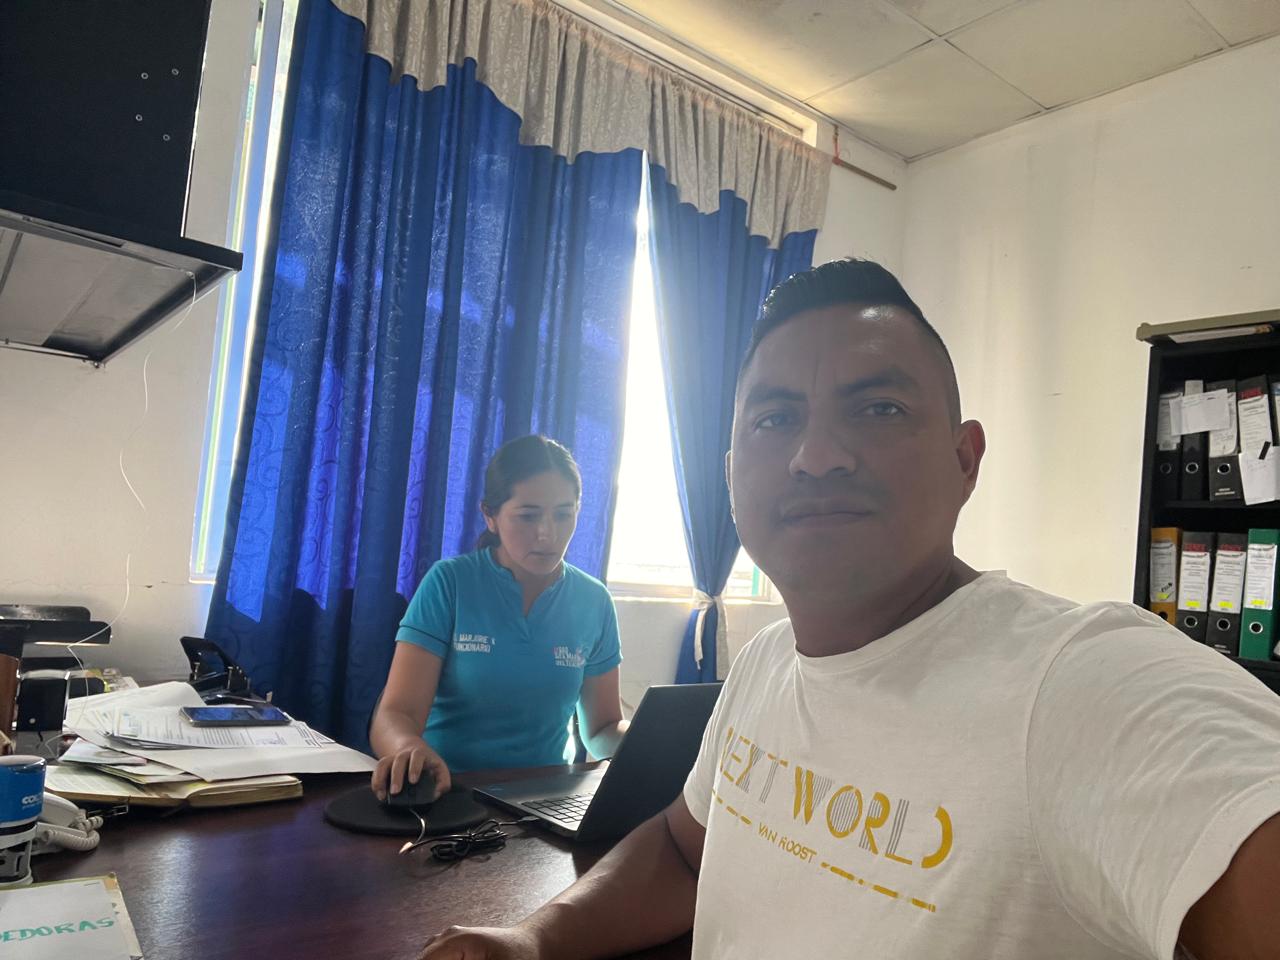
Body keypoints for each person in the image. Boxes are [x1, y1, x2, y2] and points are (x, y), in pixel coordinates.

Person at [418, 259, 1280, 959]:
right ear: (729, 474)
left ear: (965, 459)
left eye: (878, 408)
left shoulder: (1080, 684)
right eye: (774, 418)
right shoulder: (766, 661)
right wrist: (535, 939)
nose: (817, 455)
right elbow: (684, 849)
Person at [370, 434, 627, 802]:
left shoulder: (594, 600)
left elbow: (601, 729)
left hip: (548, 801)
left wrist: (647, 742)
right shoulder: (450, 583)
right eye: (528, 515)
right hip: (452, 795)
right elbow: (396, 713)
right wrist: (409, 747)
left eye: (563, 514)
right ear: (490, 516)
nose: (548, 533)